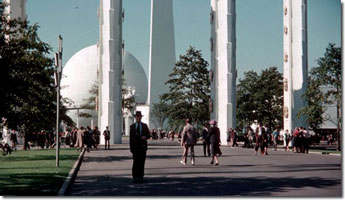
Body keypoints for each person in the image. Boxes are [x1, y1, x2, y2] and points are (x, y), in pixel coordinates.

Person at [130, 111, 150, 183]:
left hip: (142, 147)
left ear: (141, 117)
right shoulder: (132, 127)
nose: (138, 118)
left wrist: (145, 137)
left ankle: (141, 177)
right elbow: (131, 139)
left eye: (139, 116)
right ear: (135, 117)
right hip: (135, 147)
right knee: (135, 162)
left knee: (142, 162)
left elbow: (148, 135)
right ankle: (135, 177)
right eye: (137, 116)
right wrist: (131, 148)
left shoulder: (145, 126)